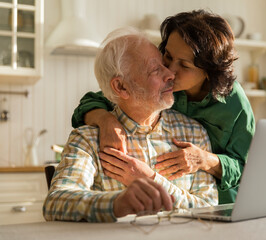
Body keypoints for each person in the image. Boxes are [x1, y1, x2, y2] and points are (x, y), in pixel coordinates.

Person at [71, 10, 255, 204]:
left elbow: (247, 169)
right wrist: (106, 121)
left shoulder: (235, 103)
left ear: (209, 73)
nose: (170, 71)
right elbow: (101, 98)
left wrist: (205, 160)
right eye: (167, 55)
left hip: (223, 208)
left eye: (184, 65)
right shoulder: (158, 86)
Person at [43, 28, 218, 222]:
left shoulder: (194, 133)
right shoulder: (88, 140)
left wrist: (151, 180)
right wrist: (117, 203)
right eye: (155, 70)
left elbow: (209, 209)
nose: (170, 74)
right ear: (121, 87)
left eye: (164, 64)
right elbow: (55, 202)